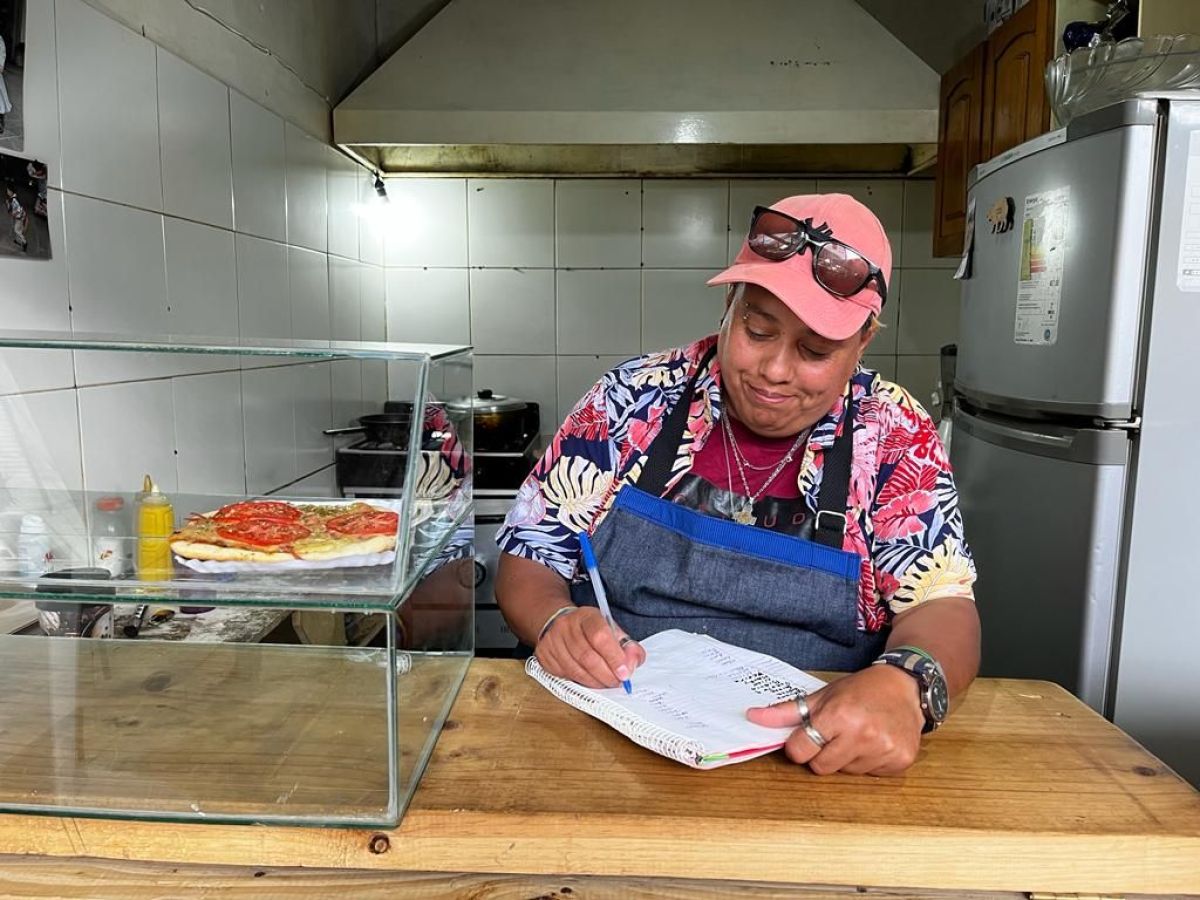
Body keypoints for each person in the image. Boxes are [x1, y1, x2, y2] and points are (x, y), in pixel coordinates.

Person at [495, 193, 980, 776]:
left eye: (815, 350)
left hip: (813, 757)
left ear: (864, 340)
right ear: (730, 306)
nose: (775, 370)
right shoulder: (635, 397)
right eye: (757, 330)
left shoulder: (892, 432)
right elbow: (530, 555)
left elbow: (943, 607)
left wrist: (906, 683)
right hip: (604, 739)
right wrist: (554, 621)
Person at [5, 183, 27, 252]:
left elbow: (19, 209)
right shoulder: (13, 198)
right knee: (18, 229)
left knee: (16, 230)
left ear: (11, 191)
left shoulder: (14, 200)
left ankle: (24, 242)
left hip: (20, 217)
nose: (7, 192)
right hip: (20, 216)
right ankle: (18, 240)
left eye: (8, 191)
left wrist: (14, 214)